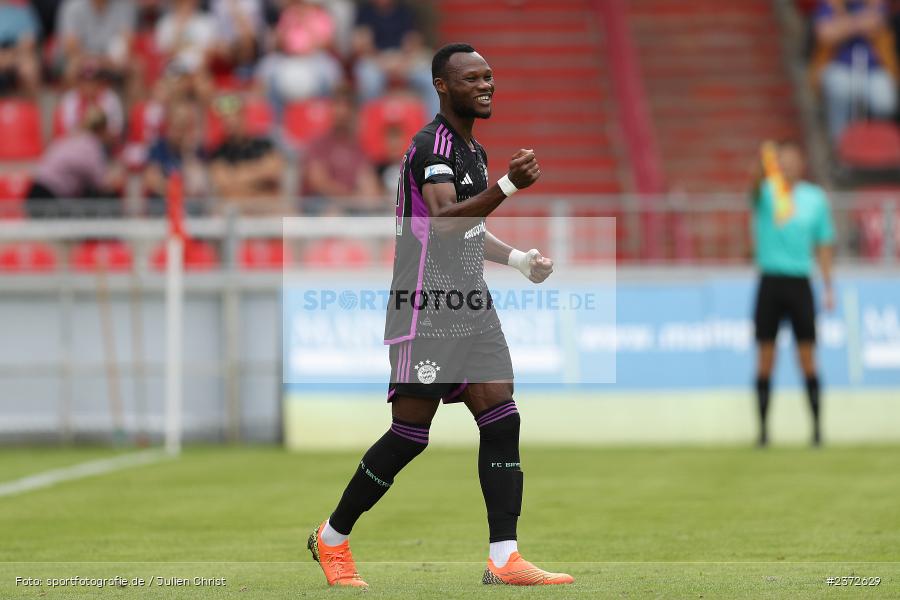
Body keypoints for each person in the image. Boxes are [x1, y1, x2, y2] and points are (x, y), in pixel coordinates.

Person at [307, 43, 574, 588]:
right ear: (442, 86)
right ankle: (332, 538)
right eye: (472, 78)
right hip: (426, 306)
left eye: (489, 76)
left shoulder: (473, 150)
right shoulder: (431, 145)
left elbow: (468, 229)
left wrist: (518, 260)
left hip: (472, 302)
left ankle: (504, 558)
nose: (485, 85)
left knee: (502, 417)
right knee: (410, 434)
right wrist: (508, 186)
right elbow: (446, 220)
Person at [751, 141, 836, 447]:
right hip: (770, 282)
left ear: (802, 163)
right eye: (781, 160)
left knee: (807, 358)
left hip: (800, 283)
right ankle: (763, 432)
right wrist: (765, 163)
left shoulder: (815, 199)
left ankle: (817, 430)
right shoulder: (767, 192)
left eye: (791, 159)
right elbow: (752, 186)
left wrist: (828, 286)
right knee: (765, 359)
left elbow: (823, 244)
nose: (786, 165)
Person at [811, 0, 898, 140]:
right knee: (839, 89)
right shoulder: (831, 3)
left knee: (884, 100)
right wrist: (859, 23)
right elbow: (825, 34)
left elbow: (877, 22)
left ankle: (876, 142)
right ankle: (840, 143)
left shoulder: (876, 2)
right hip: (839, 67)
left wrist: (842, 26)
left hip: (873, 69)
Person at [26, 107, 123, 218]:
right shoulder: (92, 146)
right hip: (48, 196)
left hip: (35, 190)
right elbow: (101, 184)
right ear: (102, 130)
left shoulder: (73, 137)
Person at [301, 87, 383, 214]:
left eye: (347, 106)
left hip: (349, 207)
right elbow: (318, 182)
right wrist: (351, 197)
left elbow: (369, 185)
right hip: (319, 205)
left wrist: (365, 197)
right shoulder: (318, 143)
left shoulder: (359, 148)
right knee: (333, 213)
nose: (341, 111)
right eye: (337, 105)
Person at [208, 95, 286, 215]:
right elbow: (225, 185)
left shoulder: (264, 144)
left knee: (287, 213)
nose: (229, 122)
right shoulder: (219, 153)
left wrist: (237, 175)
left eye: (233, 116)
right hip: (237, 209)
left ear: (243, 116)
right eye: (224, 118)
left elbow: (274, 172)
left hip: (266, 207)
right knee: (218, 212)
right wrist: (259, 175)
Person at [0, 0, 41, 97]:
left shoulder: (23, 10)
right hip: (3, 52)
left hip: (19, 53)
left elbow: (30, 39)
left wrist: (13, 54)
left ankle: (30, 104)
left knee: (29, 70)